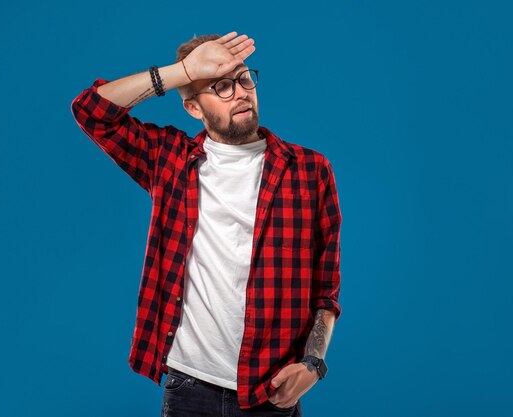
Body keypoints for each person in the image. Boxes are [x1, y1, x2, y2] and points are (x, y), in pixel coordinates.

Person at [71, 31, 342, 417]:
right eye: (221, 87)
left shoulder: (310, 171)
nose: (241, 92)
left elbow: (325, 289)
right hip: (189, 389)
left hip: (271, 390)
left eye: (244, 79)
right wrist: (182, 71)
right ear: (194, 108)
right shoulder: (170, 161)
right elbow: (91, 112)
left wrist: (313, 365)